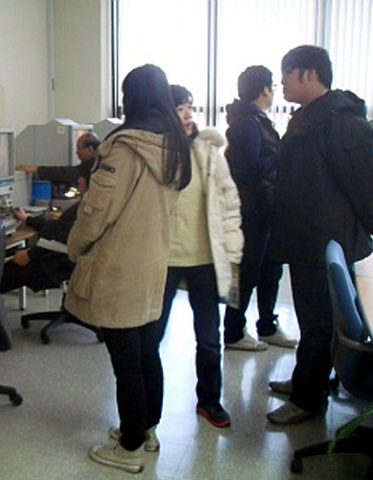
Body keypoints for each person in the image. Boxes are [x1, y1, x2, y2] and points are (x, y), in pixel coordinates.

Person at [64, 64, 191, 474]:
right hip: (153, 263)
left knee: (126, 364)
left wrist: (74, 246)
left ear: (131, 98)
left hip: (118, 267)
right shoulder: (173, 145)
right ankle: (147, 429)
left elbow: (96, 213)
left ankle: (130, 447)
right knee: (147, 351)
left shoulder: (124, 148)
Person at [266, 45, 373, 425]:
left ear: (309, 73)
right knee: (313, 320)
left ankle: (307, 398)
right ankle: (307, 380)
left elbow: (364, 184)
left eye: (287, 73)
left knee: (319, 323)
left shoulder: (340, 121)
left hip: (325, 240)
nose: (281, 82)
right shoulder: (309, 116)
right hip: (306, 238)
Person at [157, 85, 243, 429]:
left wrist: (233, 250)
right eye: (180, 108)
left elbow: (229, 202)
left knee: (208, 338)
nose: (189, 115)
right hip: (162, 260)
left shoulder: (209, 152)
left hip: (205, 260)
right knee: (151, 337)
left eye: (190, 108)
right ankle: (146, 407)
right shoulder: (153, 153)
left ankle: (209, 400)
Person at [223, 65, 296, 351]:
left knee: (270, 269)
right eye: (273, 86)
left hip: (265, 209)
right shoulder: (247, 123)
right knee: (247, 273)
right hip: (251, 211)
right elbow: (249, 168)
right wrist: (280, 155)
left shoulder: (255, 120)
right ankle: (233, 331)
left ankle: (267, 325)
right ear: (264, 90)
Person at [0, 159, 93, 294]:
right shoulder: (92, 205)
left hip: (58, 262)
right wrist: (28, 220)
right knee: (8, 256)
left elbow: (63, 236)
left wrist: (30, 255)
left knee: (1, 272)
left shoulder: (87, 208)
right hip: (62, 258)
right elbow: (57, 228)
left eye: (81, 177)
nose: (78, 181)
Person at [15, 131, 100, 184]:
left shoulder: (94, 164)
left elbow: (67, 173)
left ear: (90, 149)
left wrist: (36, 169)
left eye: (79, 148)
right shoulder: (98, 160)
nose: (76, 152)